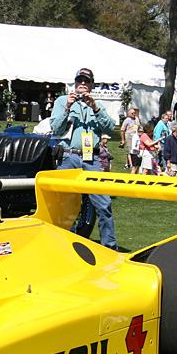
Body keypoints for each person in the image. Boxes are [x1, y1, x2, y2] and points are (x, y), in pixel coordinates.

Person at [49, 66, 117, 249]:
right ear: (75, 83)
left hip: (91, 159)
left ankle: (110, 248)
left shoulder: (97, 105)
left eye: (87, 81)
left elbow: (110, 128)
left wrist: (95, 107)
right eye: (80, 81)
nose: (83, 84)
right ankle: (64, 245)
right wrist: (67, 107)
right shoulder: (62, 101)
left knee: (103, 204)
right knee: (63, 206)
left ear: (92, 85)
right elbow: (55, 129)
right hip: (69, 157)